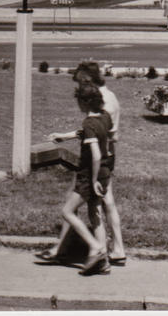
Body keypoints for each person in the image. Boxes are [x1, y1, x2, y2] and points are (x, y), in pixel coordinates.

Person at [42, 63, 126, 268]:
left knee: (81, 203)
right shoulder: (108, 99)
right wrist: (66, 136)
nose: (79, 89)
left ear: (88, 83)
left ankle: (90, 249)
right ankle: (112, 251)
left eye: (80, 84)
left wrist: (95, 174)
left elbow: (93, 134)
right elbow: (102, 132)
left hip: (96, 161)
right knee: (101, 204)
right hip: (106, 157)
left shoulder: (103, 103)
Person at [35, 80, 112, 275]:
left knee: (67, 211)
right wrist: (64, 136)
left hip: (89, 176)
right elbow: (90, 136)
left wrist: (92, 180)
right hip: (104, 172)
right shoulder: (105, 117)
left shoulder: (89, 122)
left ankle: (95, 248)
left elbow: (94, 154)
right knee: (95, 215)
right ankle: (103, 262)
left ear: (84, 103)